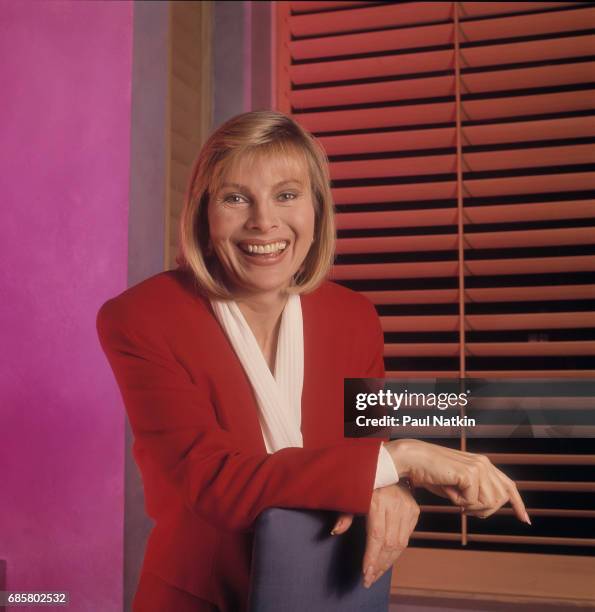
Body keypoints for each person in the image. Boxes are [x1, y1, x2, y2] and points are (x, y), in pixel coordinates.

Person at [96, 111, 530, 612]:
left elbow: (366, 452)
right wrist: (401, 461)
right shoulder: (141, 318)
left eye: (286, 195)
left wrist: (395, 487)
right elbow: (214, 481)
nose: (264, 221)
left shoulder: (354, 316)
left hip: (333, 593)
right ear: (203, 212)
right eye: (236, 198)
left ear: (316, 209)